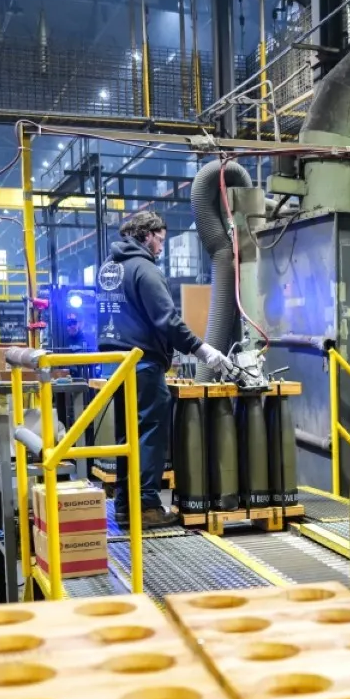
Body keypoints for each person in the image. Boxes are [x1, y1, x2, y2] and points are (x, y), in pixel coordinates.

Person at [97, 211, 235, 529]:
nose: (162, 246)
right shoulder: (144, 269)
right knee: (149, 435)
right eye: (160, 238)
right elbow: (167, 319)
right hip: (142, 364)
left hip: (115, 365)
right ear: (146, 234)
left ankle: (123, 505)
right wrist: (203, 350)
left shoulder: (110, 268)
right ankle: (146, 507)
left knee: (126, 436)